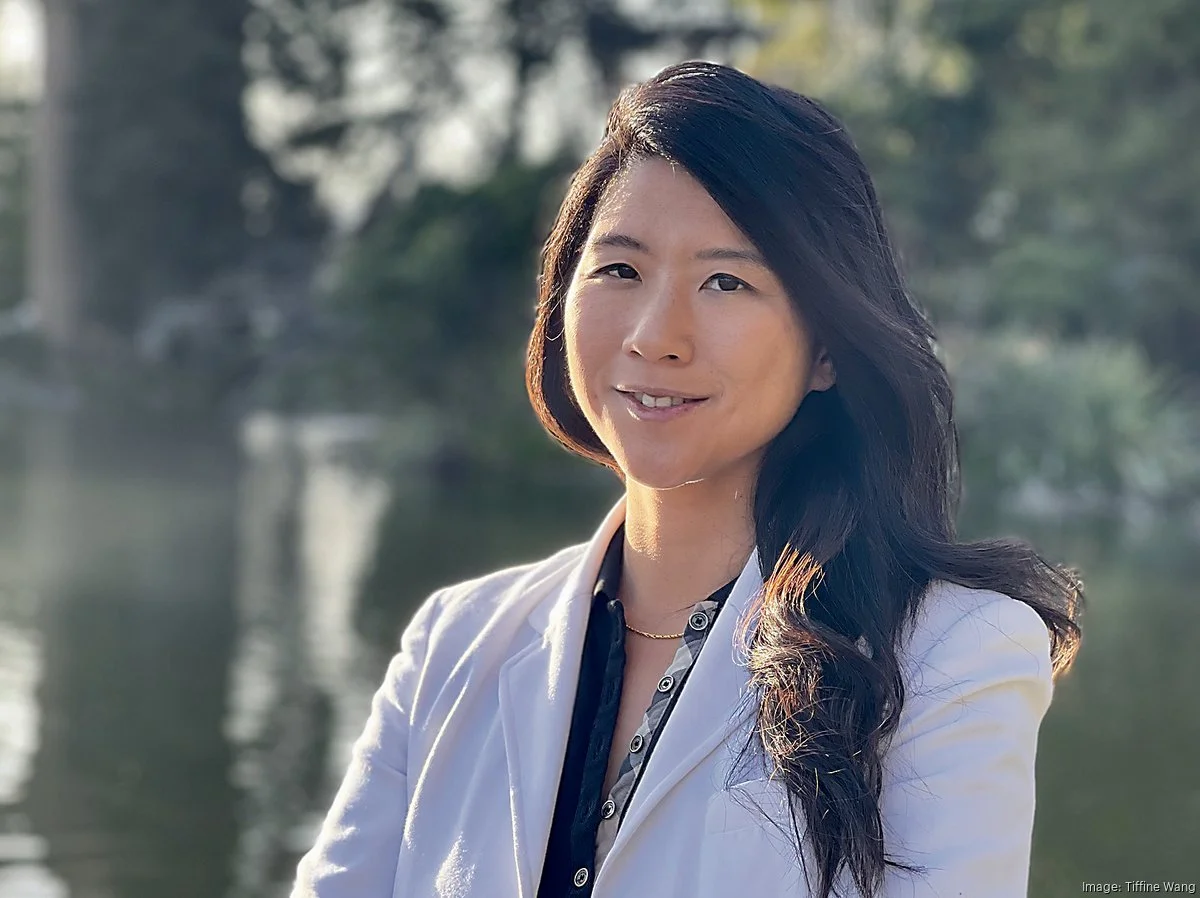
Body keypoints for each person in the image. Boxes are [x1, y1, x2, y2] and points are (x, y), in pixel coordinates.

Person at [289, 60, 1083, 898]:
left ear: (826, 348)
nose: (655, 336)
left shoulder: (952, 655)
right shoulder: (454, 643)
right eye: (620, 270)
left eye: (725, 282)